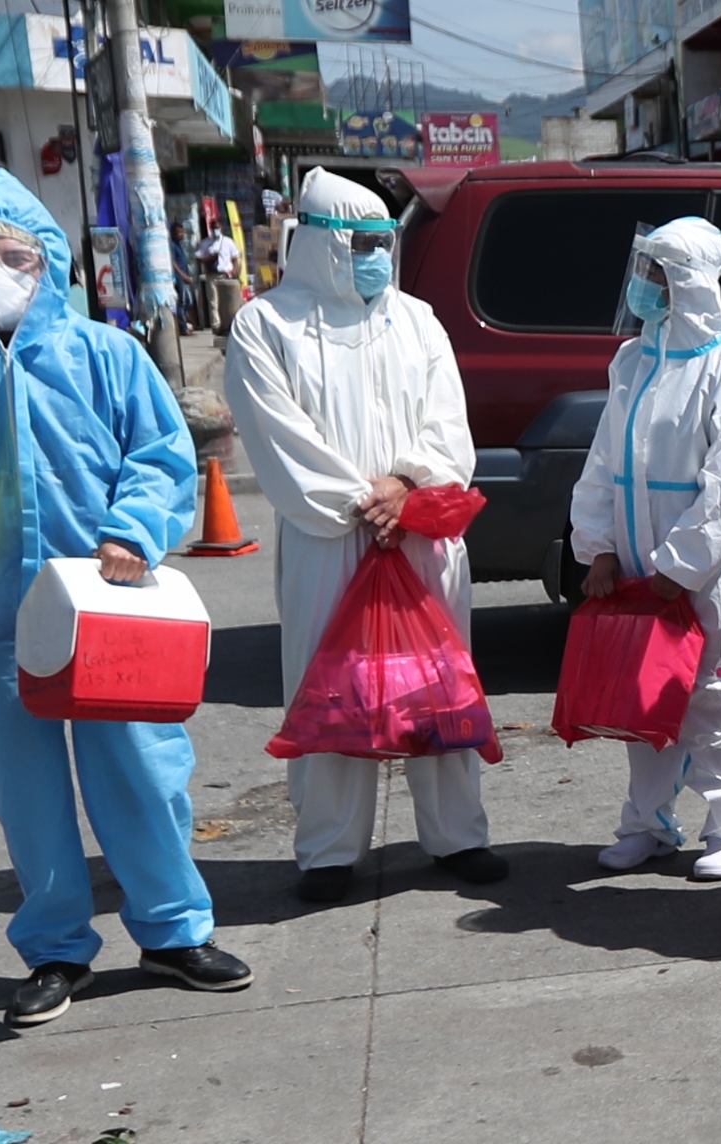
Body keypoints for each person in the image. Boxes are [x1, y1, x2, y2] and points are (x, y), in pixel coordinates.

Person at [0, 170, 252, 1025]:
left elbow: (161, 455)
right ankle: (57, 949)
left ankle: (174, 931)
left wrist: (134, 531)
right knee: (24, 787)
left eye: (16, 255)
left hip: (109, 606)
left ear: (51, 264)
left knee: (143, 772)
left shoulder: (106, 355)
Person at [225, 167, 507, 904]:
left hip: (422, 531)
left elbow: (450, 426)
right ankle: (328, 849)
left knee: (439, 685)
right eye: (364, 241)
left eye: (386, 240)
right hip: (329, 540)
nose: (380, 254)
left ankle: (456, 835)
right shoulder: (266, 325)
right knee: (331, 688)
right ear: (321, 245)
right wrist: (364, 501)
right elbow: (277, 436)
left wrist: (410, 486)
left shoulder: (416, 320)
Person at [568, 216, 721, 881]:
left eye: (654, 274)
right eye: (642, 272)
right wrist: (599, 547)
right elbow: (605, 461)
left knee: (715, 700)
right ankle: (646, 825)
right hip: (639, 570)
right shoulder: (635, 359)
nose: (642, 286)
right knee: (645, 703)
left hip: (708, 576)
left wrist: (682, 564)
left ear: (688, 282)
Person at [195, 224, 240, 332]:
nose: (216, 230)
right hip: (212, 275)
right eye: (214, 228)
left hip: (225, 275)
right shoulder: (205, 243)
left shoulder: (228, 242)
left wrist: (235, 271)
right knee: (213, 301)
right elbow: (199, 257)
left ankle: (229, 322)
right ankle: (216, 325)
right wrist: (210, 258)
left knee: (228, 300)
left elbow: (236, 257)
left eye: (218, 228)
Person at [170, 222, 196, 334]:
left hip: (184, 278)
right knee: (182, 302)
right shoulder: (172, 245)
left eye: (183, 231)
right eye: (179, 232)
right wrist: (183, 276)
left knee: (188, 302)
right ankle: (183, 328)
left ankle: (184, 325)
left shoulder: (179, 245)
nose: (182, 234)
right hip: (179, 278)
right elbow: (173, 263)